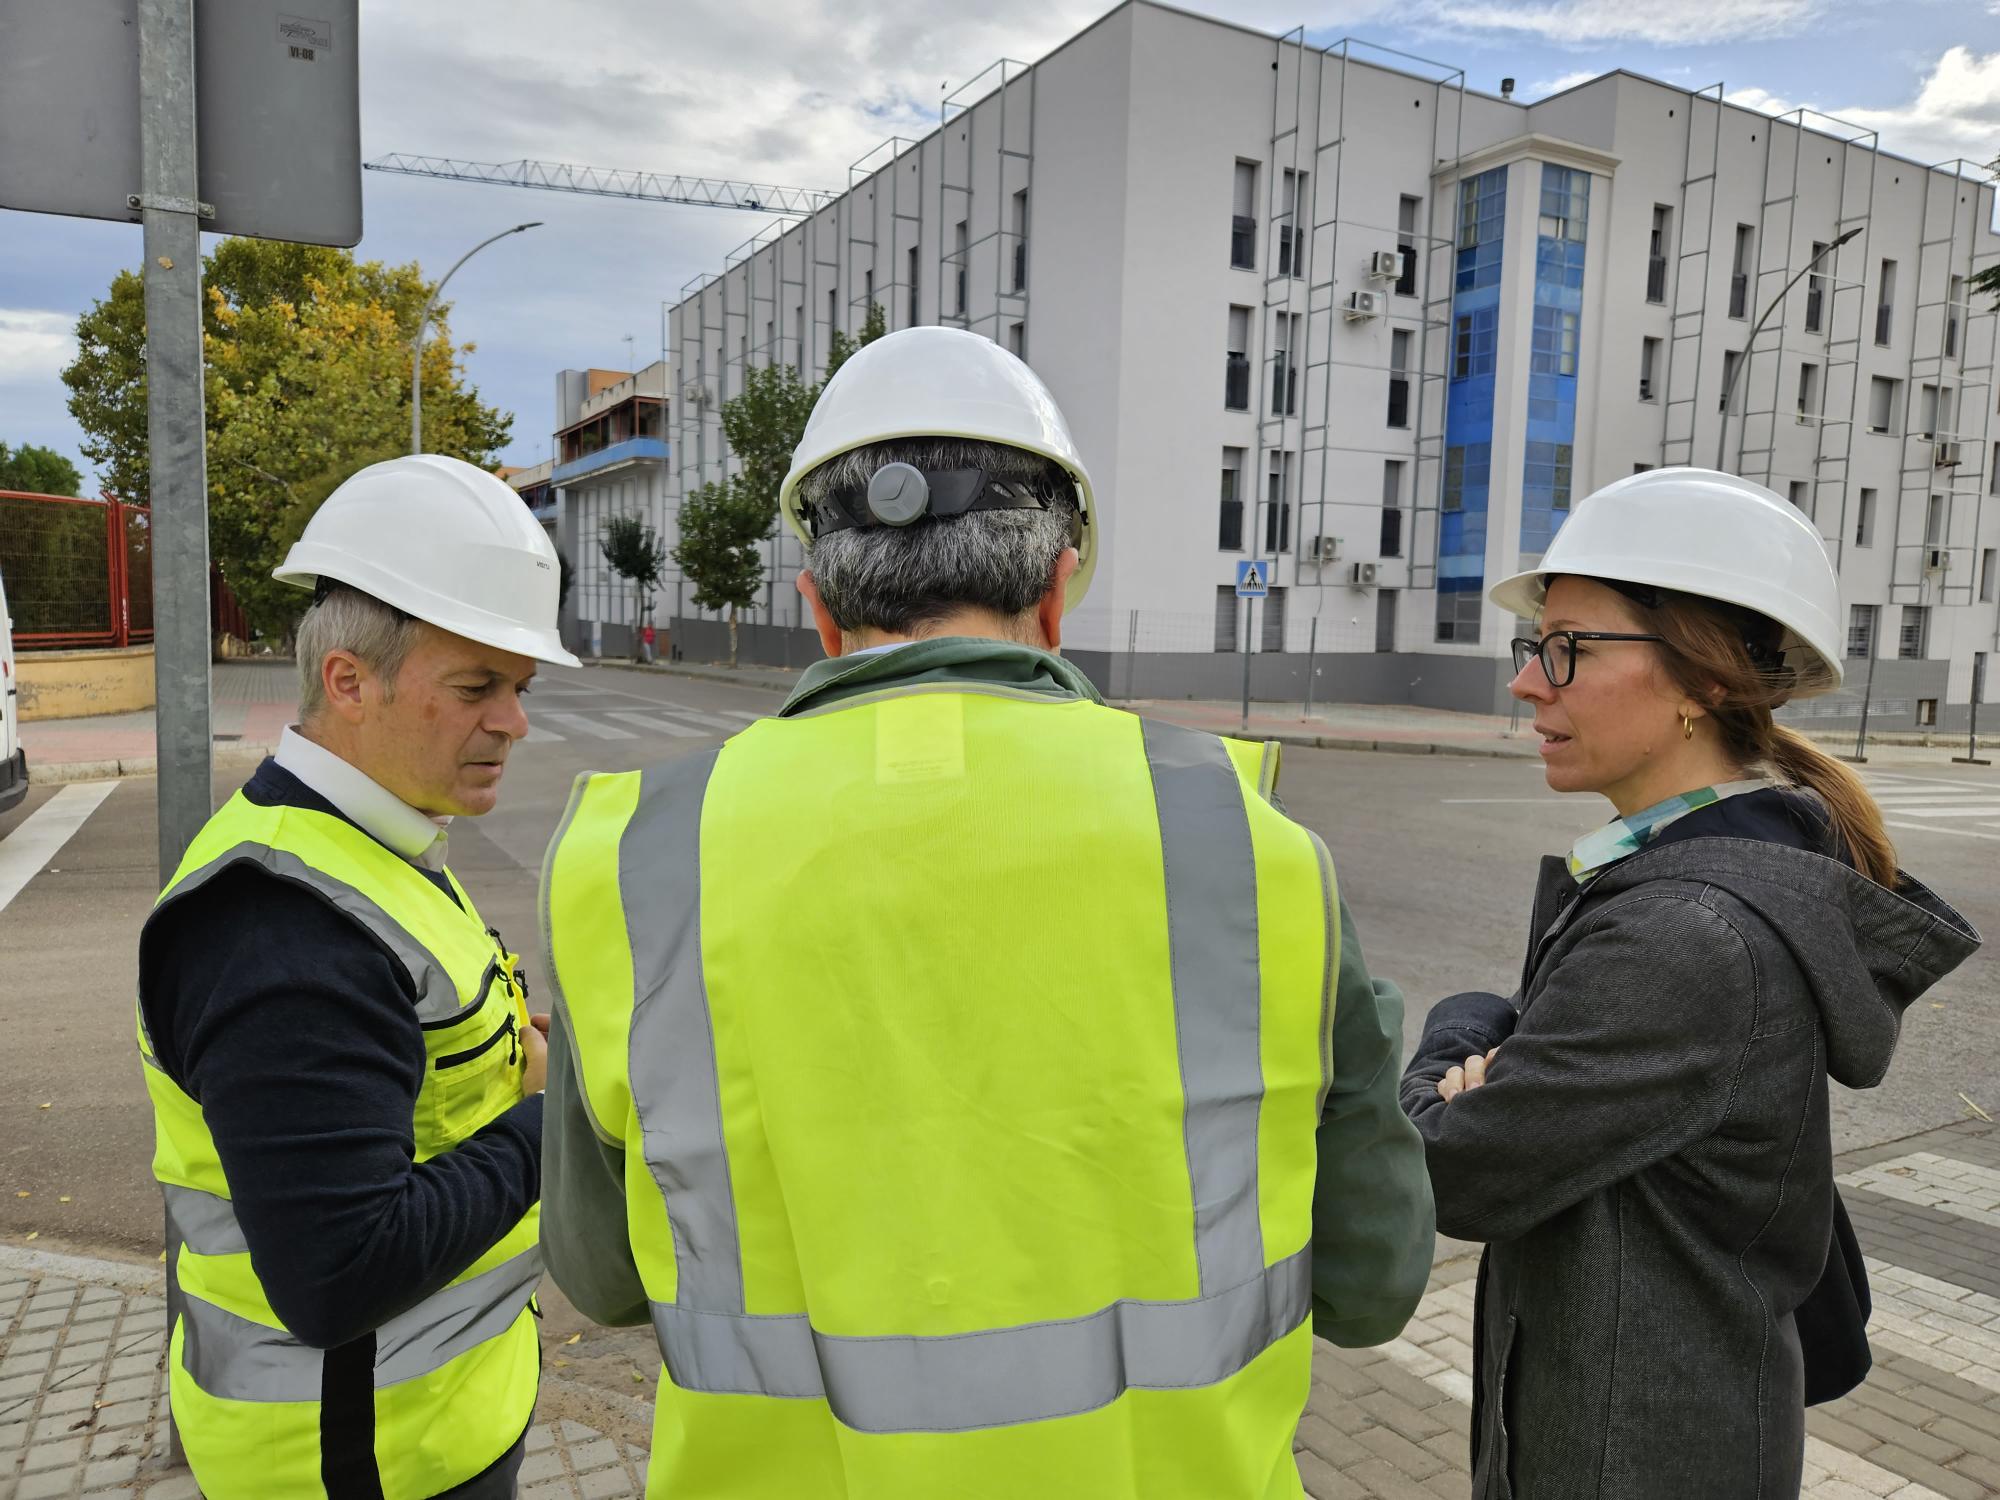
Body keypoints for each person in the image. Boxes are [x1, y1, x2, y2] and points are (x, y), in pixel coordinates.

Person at [538, 326, 1435, 1498]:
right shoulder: (1245, 843)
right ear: (1059, 592)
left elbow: (601, 1277)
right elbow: (1372, 1288)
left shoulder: (637, 855)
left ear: (815, 606)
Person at [1400, 468, 1981, 1499]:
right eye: (1533, 647)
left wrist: (1457, 1033)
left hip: (1628, 1454)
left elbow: (1452, 1171)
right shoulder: (1698, 881)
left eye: (1567, 648)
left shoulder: (1687, 932)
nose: (1527, 682)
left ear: (1706, 678)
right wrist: (1501, 1040)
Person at [136, 454, 579, 1498]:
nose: (514, 722)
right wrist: (548, 1120)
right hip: (352, 1463)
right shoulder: (279, 929)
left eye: (518, 688)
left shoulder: (372, 849)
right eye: (477, 687)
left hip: (425, 1427)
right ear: (348, 682)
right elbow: (338, 1272)